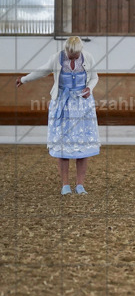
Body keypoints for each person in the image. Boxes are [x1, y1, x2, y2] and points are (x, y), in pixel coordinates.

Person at [16, 36, 99, 195]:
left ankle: (80, 185)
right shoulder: (57, 59)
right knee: (63, 146)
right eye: (70, 55)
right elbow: (41, 71)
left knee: (83, 146)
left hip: (82, 105)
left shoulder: (88, 57)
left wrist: (89, 88)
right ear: (66, 49)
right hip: (62, 104)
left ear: (80, 51)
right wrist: (24, 79)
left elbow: (94, 77)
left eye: (75, 55)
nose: (72, 58)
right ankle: (65, 185)